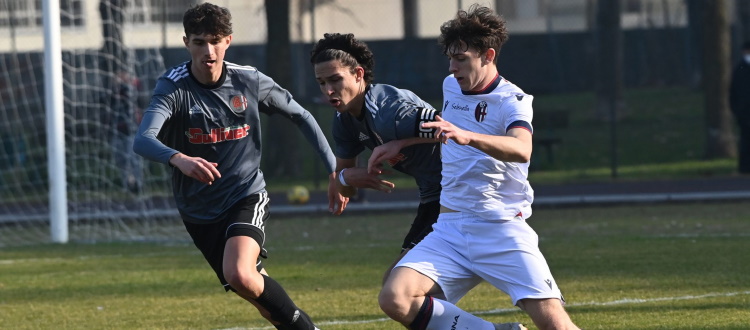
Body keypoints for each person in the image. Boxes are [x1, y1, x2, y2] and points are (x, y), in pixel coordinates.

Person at [133, 3, 341, 329]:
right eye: (200, 42)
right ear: (186, 42)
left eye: (215, 41)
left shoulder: (248, 81)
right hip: (198, 211)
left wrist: (334, 169)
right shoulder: (173, 87)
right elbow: (143, 139)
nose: (208, 50)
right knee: (255, 291)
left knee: (240, 274)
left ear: (228, 41)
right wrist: (179, 158)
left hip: (245, 195)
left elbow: (301, 115)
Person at [378, 5, 580, 330]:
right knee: (395, 297)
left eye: (461, 59)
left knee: (555, 324)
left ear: (487, 55)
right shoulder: (451, 86)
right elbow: (451, 132)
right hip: (450, 229)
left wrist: (468, 137)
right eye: (450, 58)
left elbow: (521, 148)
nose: (452, 67)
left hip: (500, 229)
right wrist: (404, 143)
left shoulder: (511, 100)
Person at [310, 33, 442, 282]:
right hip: (434, 197)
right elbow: (345, 190)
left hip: (463, 193)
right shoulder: (344, 121)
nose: (328, 90)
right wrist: (345, 177)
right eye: (321, 83)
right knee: (398, 286)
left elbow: (455, 126)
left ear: (358, 74)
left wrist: (401, 143)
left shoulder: (389, 110)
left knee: (400, 288)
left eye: (335, 80)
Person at [730, 41, 750, 174]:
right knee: (746, 141)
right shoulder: (740, 69)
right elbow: (733, 93)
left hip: (743, 111)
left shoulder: (739, 69)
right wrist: (738, 111)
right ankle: (745, 168)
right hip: (745, 112)